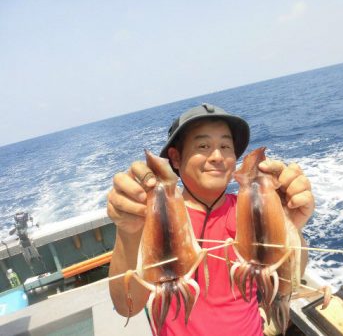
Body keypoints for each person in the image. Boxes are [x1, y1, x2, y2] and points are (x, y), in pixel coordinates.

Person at [107, 103, 315, 335]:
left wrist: (291, 226)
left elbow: (289, 280)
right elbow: (127, 307)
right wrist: (128, 232)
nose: (217, 156)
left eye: (226, 146)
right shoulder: (151, 222)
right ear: (175, 158)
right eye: (204, 146)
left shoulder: (250, 215)